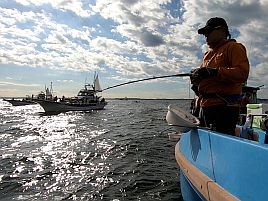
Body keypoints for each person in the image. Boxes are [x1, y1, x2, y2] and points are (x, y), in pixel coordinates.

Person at [190, 17, 250, 135]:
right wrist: (197, 80)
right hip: (204, 106)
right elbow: (207, 78)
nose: (206, 36)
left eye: (209, 31)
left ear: (222, 31)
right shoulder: (207, 55)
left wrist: (214, 72)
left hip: (223, 108)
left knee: (220, 142)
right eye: (204, 33)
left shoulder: (234, 47)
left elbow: (242, 73)